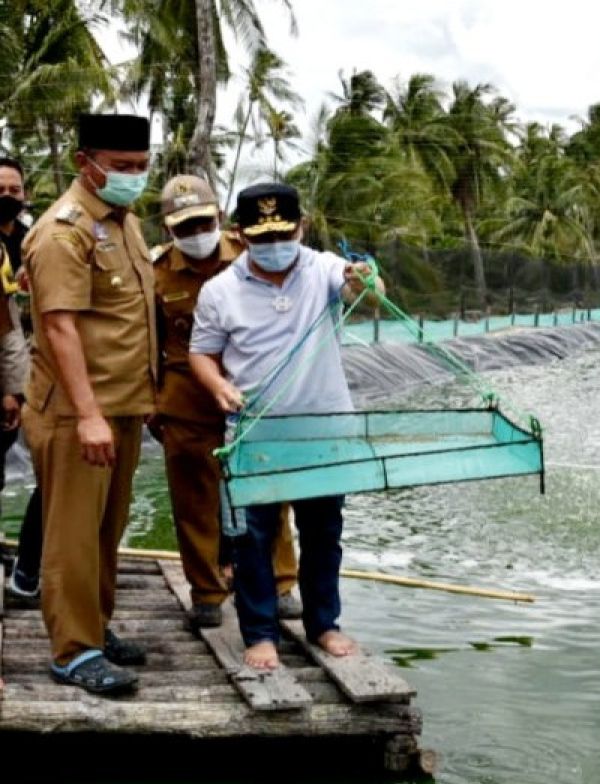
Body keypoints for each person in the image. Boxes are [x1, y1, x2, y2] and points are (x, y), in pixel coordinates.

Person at [189, 182, 383, 670]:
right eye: (260, 237)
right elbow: (201, 355)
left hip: (323, 433)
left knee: (323, 533)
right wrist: (217, 386)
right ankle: (259, 633)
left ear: (302, 227)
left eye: (283, 233)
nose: (274, 246)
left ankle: (324, 624)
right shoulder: (219, 291)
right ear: (239, 234)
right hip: (255, 435)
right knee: (250, 540)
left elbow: (369, 292)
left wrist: (366, 280)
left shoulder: (322, 269)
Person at [21, 114, 156, 695]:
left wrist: (139, 399)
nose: (133, 178)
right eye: (122, 168)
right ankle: (73, 651)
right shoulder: (62, 232)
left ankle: (95, 626)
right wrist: (90, 414)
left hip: (122, 405)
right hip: (78, 412)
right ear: (86, 163)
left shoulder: (125, 223)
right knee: (72, 534)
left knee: (106, 529)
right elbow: (59, 328)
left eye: (141, 168)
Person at [151, 174, 301, 628]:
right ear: (167, 228)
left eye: (202, 222)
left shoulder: (253, 255)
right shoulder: (155, 273)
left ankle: (281, 582)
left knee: (269, 494)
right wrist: (153, 405)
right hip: (187, 403)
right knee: (194, 503)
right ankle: (207, 592)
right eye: (184, 228)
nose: (196, 234)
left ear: (219, 217)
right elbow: (149, 345)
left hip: (254, 398)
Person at [0, 156, 41, 604]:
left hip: (28, 367)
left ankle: (26, 571)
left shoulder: (33, 241)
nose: (7, 197)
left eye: (14, 190)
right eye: (1, 189)